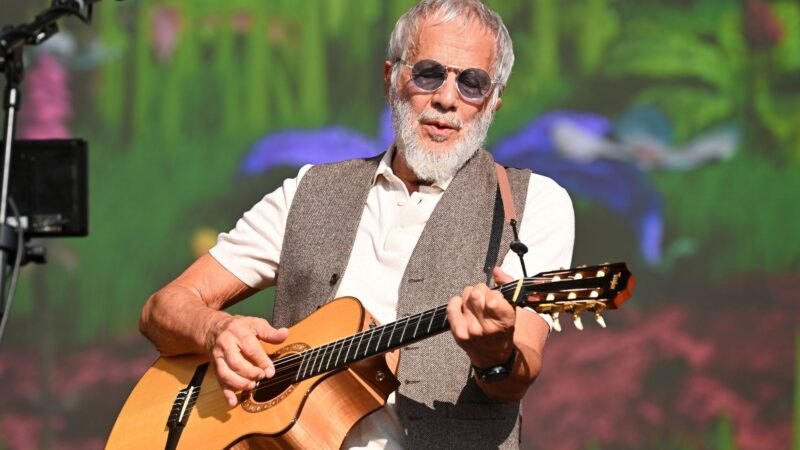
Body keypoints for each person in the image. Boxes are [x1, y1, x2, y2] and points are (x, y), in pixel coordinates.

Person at [139, 0, 574, 448]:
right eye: (428, 73)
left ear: (495, 99)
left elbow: (517, 374)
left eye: (472, 82)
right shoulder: (309, 190)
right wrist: (214, 331)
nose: (447, 98)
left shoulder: (533, 204)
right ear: (391, 78)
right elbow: (161, 309)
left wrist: (495, 356)